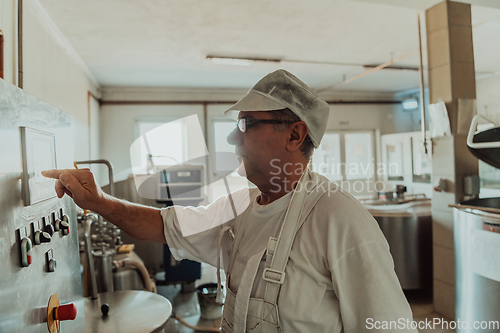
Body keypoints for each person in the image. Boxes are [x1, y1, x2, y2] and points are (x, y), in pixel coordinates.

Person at [43, 69, 417, 333]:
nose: (232, 140)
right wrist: (99, 201)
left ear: (295, 134)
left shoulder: (339, 220)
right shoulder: (241, 206)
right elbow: (163, 225)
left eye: (246, 125)